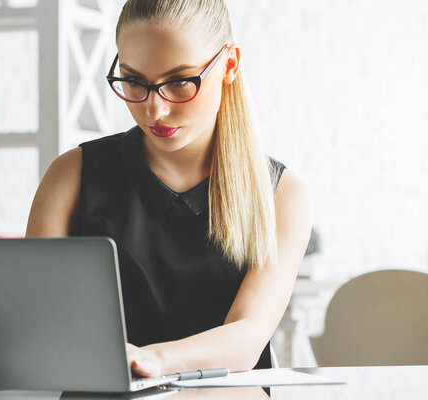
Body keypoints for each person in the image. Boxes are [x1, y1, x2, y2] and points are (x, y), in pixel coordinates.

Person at [26, 0, 312, 379]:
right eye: (134, 81)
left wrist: (152, 361)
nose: (154, 110)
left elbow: (247, 337)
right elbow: (33, 318)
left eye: (178, 82)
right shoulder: (71, 176)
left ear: (229, 66)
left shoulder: (280, 195)